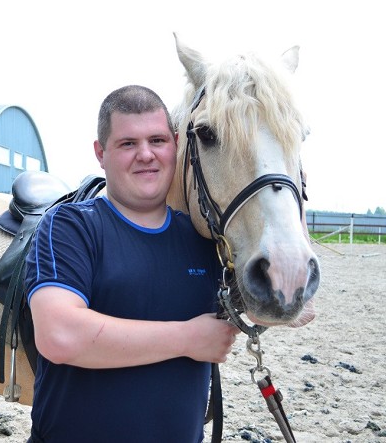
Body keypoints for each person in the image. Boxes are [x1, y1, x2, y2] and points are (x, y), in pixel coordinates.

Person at [24, 85, 240, 443]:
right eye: (128, 144)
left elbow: (277, 303)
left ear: (175, 144)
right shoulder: (71, 227)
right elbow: (59, 335)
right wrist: (188, 338)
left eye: (157, 141)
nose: (146, 155)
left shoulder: (202, 240)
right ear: (100, 153)